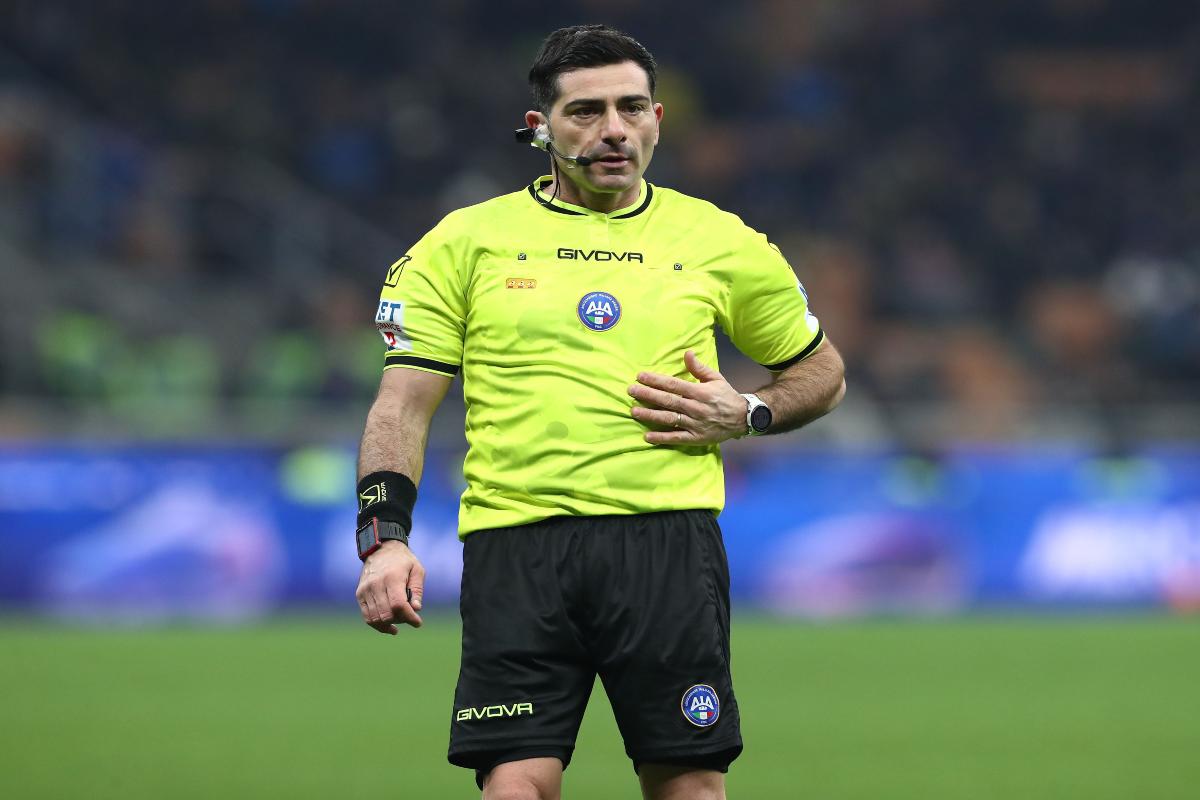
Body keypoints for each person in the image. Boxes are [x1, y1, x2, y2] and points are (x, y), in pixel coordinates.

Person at [353, 24, 845, 800]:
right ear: (539, 128)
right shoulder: (464, 243)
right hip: (516, 549)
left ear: (657, 119)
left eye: (632, 107)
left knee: (689, 788)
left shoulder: (719, 241)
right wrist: (384, 541)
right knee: (518, 787)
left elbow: (821, 371)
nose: (613, 129)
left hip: (667, 546)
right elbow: (401, 406)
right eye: (585, 112)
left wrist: (748, 411)